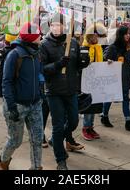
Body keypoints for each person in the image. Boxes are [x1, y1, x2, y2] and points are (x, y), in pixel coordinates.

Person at [40, 13, 90, 170]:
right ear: (50, 25)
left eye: (59, 24)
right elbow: (42, 69)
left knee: (74, 121)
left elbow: (77, 66)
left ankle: (57, 138)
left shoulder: (72, 42)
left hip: (71, 90)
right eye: (53, 24)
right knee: (58, 125)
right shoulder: (44, 45)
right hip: (54, 92)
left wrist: (84, 62)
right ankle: (60, 160)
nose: (56, 27)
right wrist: (57, 64)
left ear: (64, 26)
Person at [0, 23, 43, 170]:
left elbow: (39, 74)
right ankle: (3, 162)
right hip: (17, 106)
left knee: (37, 139)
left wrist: (40, 93)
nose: (41, 37)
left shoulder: (37, 53)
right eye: (38, 35)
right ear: (31, 38)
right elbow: (7, 82)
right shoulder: (14, 55)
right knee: (15, 140)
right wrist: (11, 107)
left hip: (35, 104)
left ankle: (36, 167)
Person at [101, 26, 130, 132]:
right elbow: (104, 58)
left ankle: (128, 122)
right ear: (121, 35)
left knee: (125, 99)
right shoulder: (113, 47)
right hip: (114, 78)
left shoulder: (128, 47)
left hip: (125, 77)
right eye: (126, 34)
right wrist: (108, 61)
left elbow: (129, 61)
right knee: (110, 97)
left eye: (129, 33)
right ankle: (104, 116)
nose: (128, 35)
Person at [81, 22, 107, 141]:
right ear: (91, 35)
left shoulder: (98, 48)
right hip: (87, 81)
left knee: (95, 105)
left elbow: (100, 61)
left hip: (96, 81)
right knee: (88, 105)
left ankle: (90, 127)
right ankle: (86, 127)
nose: (98, 39)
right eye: (97, 36)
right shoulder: (84, 48)